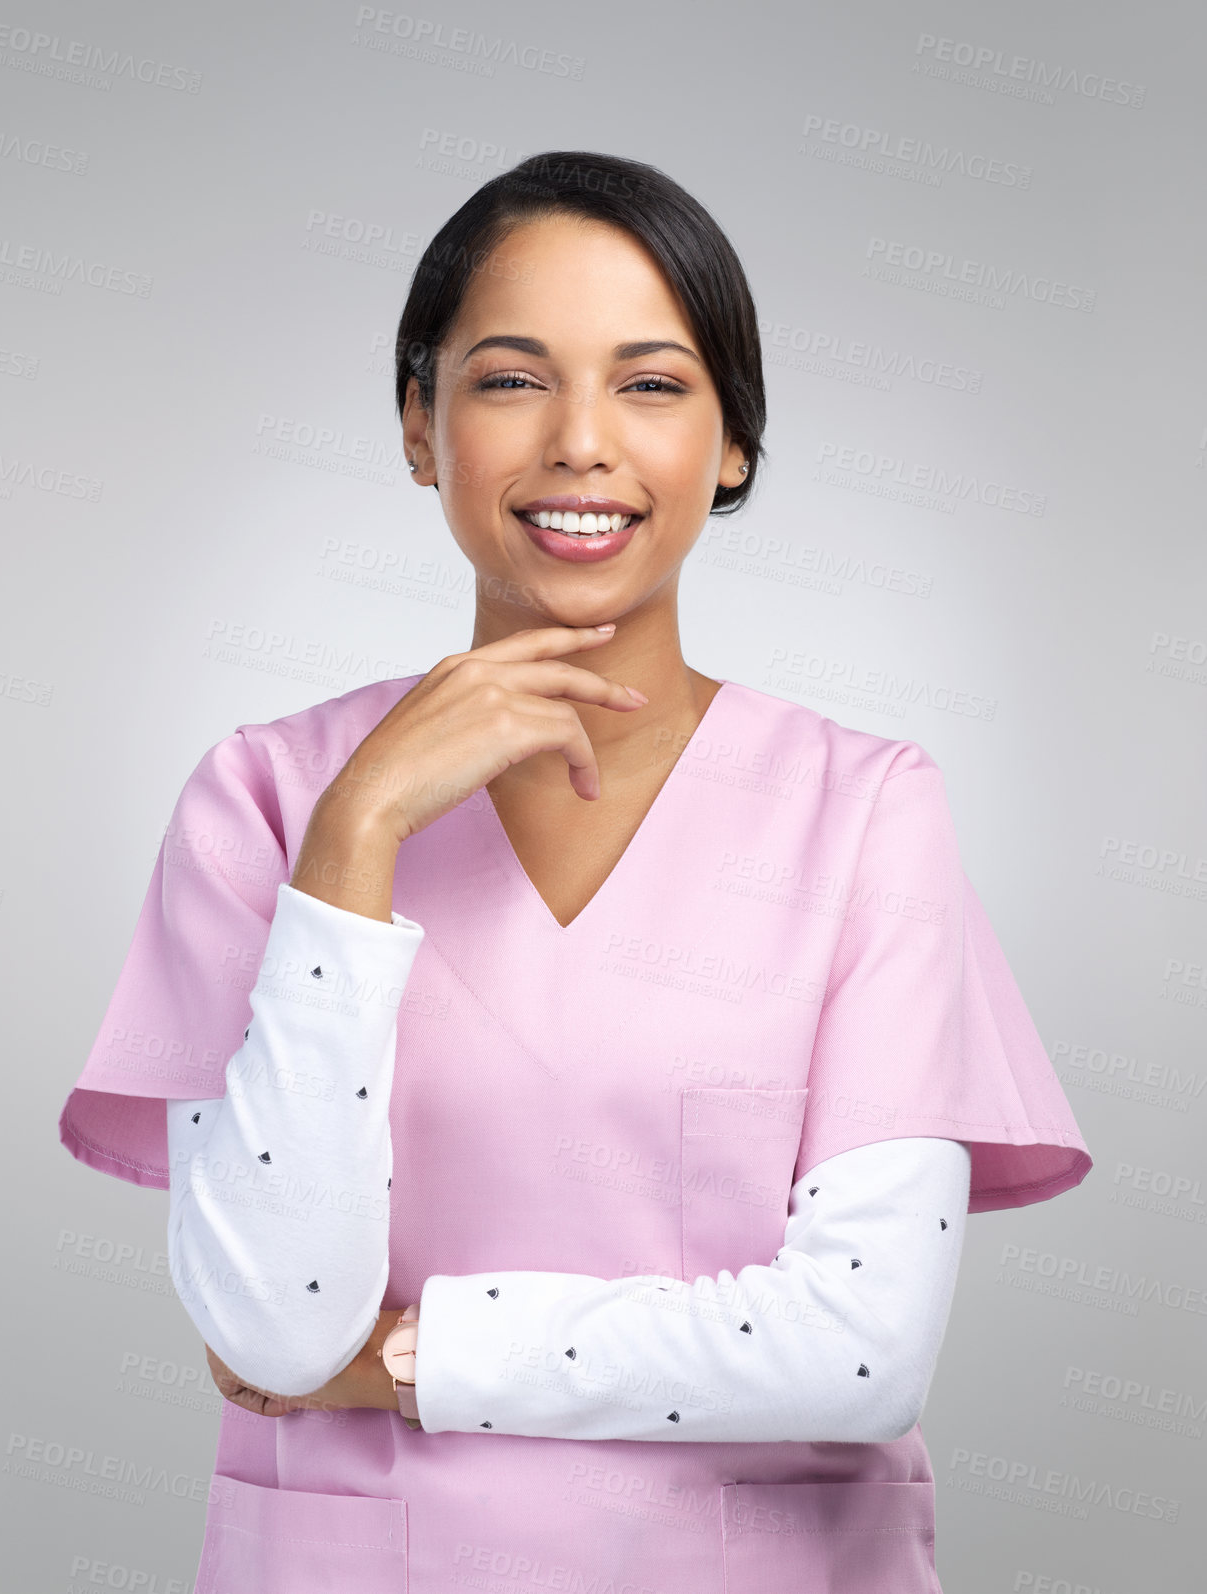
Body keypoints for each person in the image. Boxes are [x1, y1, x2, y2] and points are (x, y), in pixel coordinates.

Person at [58, 150, 1093, 1592]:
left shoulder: (863, 814)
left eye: (652, 384)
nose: (581, 443)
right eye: (508, 379)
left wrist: (423, 1362)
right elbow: (278, 1333)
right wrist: (355, 839)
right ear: (419, 427)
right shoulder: (266, 798)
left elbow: (859, 1348)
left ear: (732, 445)